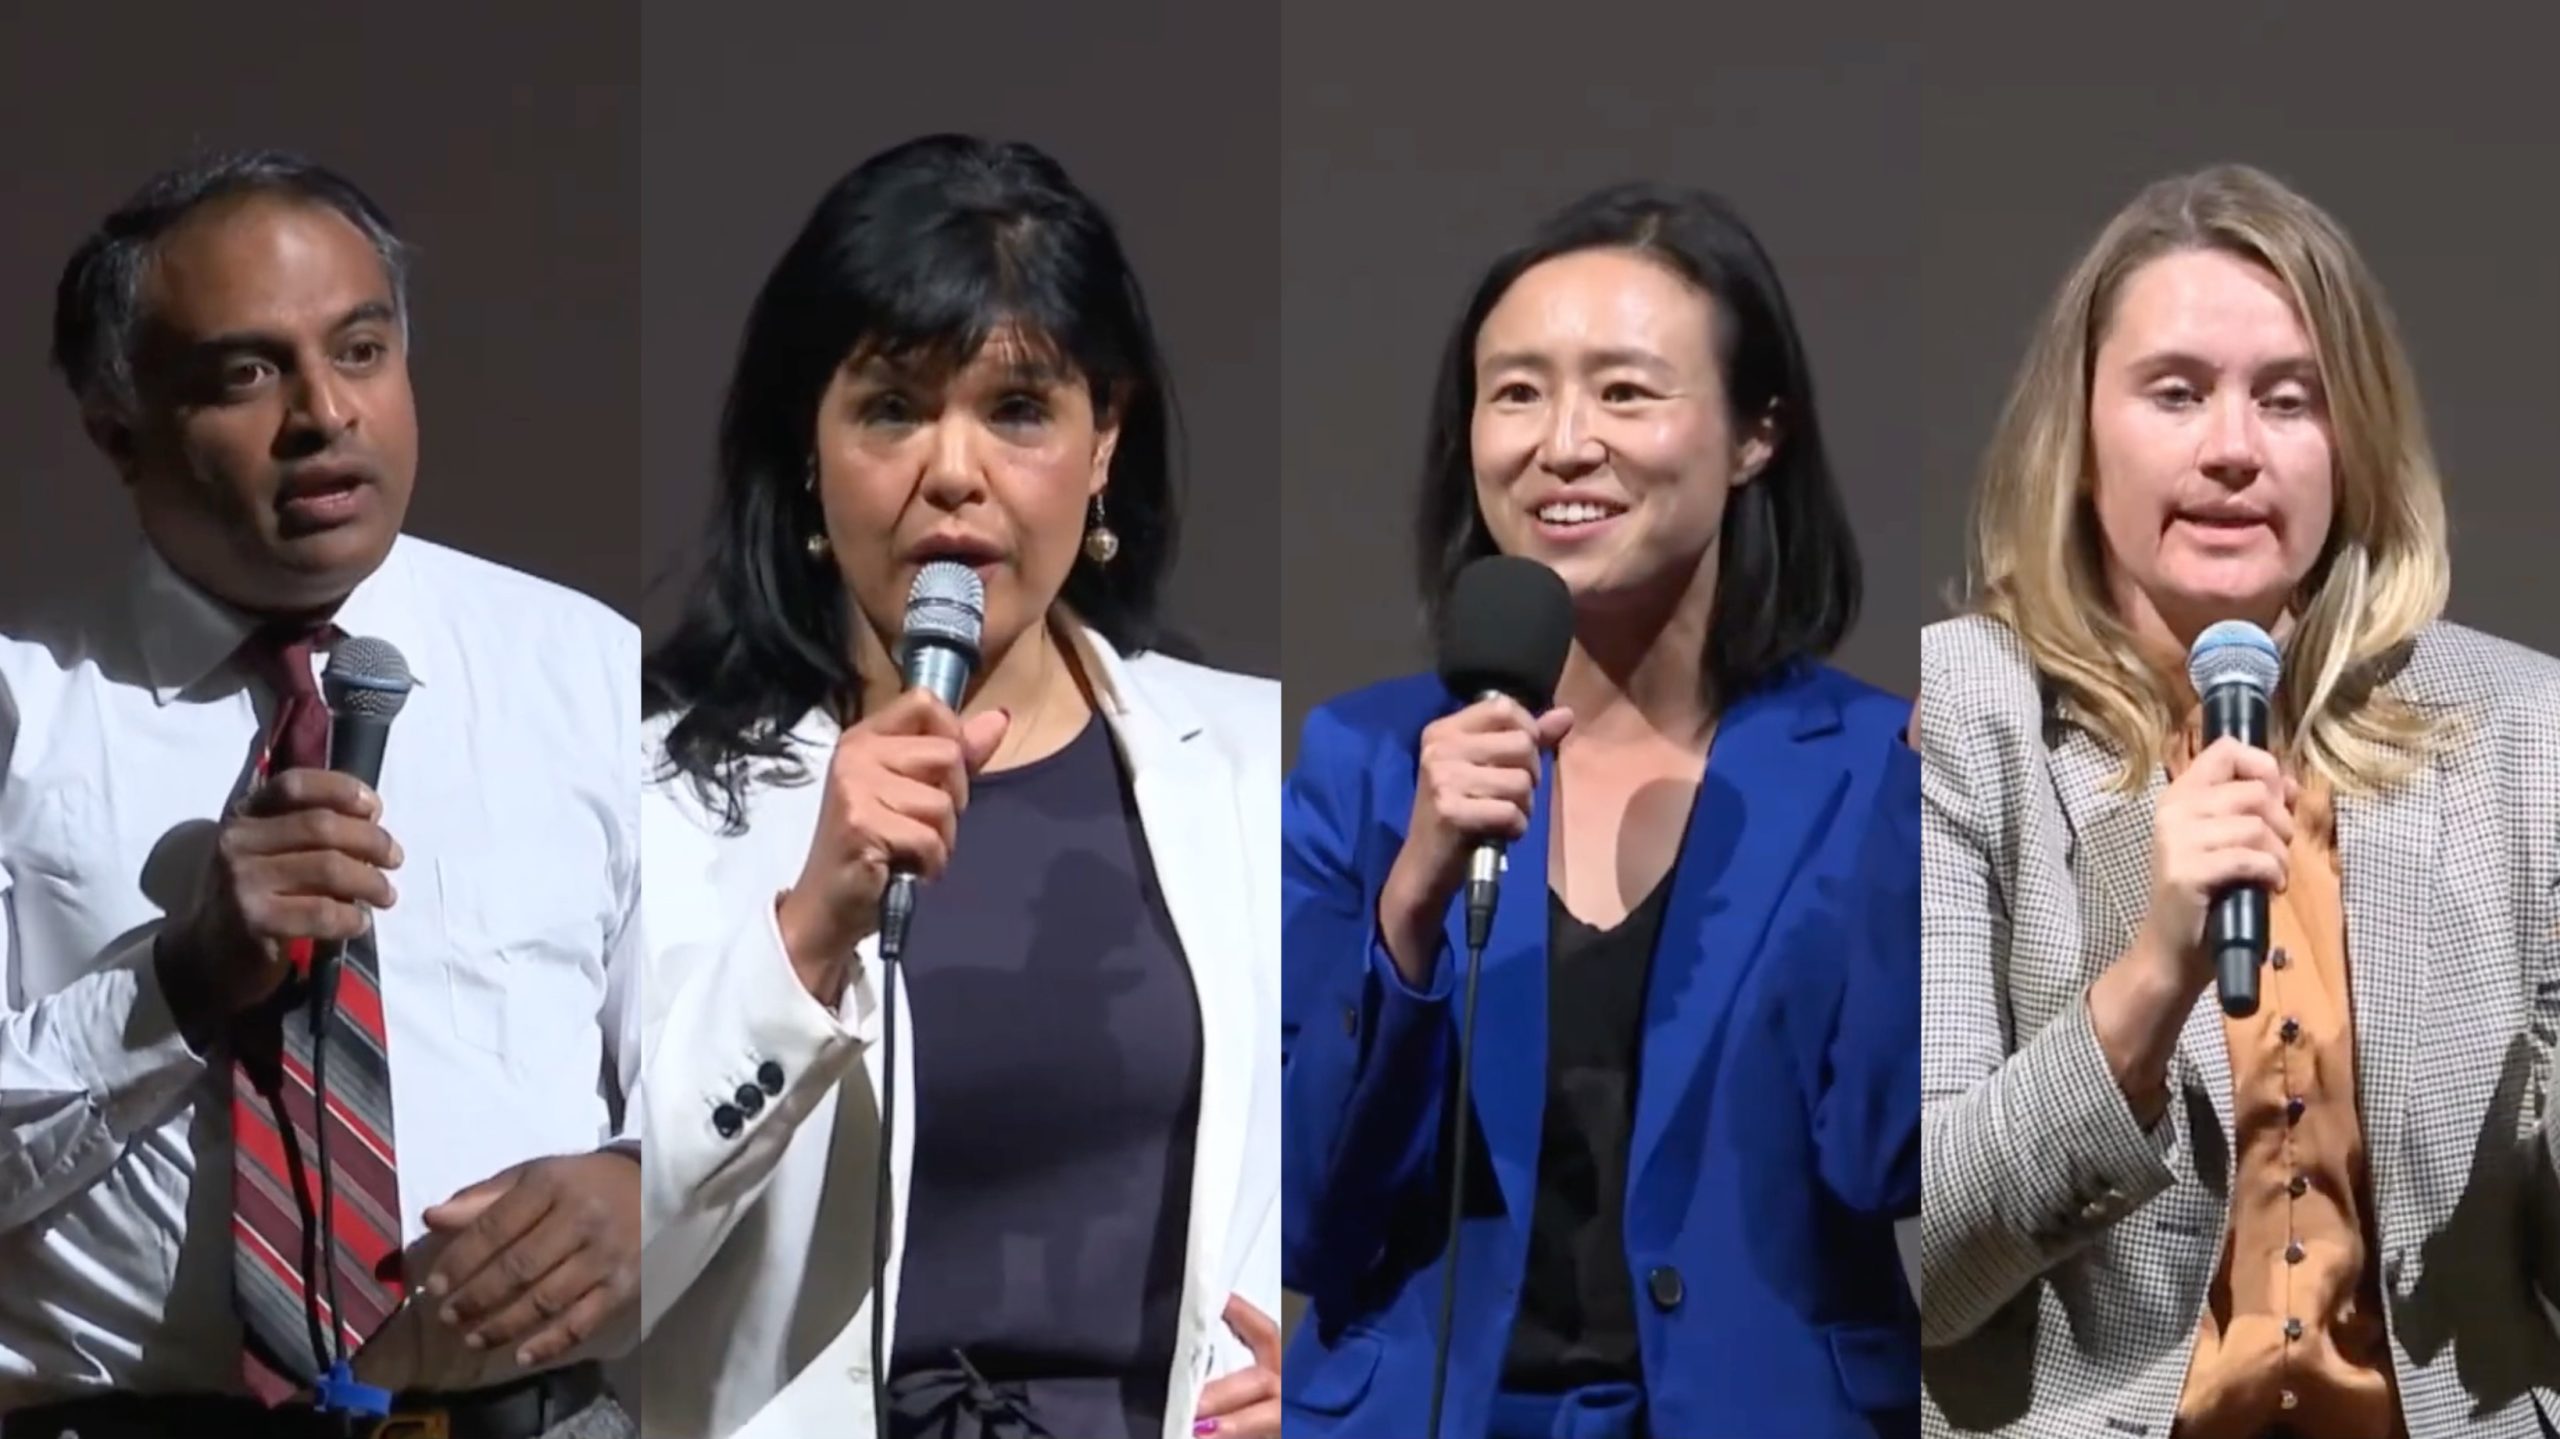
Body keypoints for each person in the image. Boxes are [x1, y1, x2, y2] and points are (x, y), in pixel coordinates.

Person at [633, 134, 1283, 1439]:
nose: (953, 470)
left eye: (1019, 409)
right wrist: (805, 934)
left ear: (1105, 440)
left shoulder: (1255, 763)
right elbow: (614, 1255)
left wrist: (1350, 1369)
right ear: (808, 447)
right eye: (892, 408)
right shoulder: (663, 793)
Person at [0, 152, 641, 1438]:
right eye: (247, 373)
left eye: (360, 350)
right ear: (120, 430)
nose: (325, 413)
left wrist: (650, 1189)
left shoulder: (587, 672)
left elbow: (734, 1077)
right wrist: (174, 981)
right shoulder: (23, 706)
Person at [1917, 163, 2560, 1439]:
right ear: (2078, 442)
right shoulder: (1957, 718)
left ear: (2351, 443)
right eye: (2174, 392)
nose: (2230, 448)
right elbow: (1918, 1262)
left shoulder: (2522, 729)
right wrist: (2148, 979)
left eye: (2287, 398)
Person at [1281, 181, 1922, 1439]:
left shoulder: (1870, 768)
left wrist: (1920, 846)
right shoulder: (1366, 761)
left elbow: (1885, 1159)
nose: (1563, 444)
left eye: (1625, 392)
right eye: (1516, 392)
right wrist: (1408, 910)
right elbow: (1309, 1214)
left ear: (1755, 434)